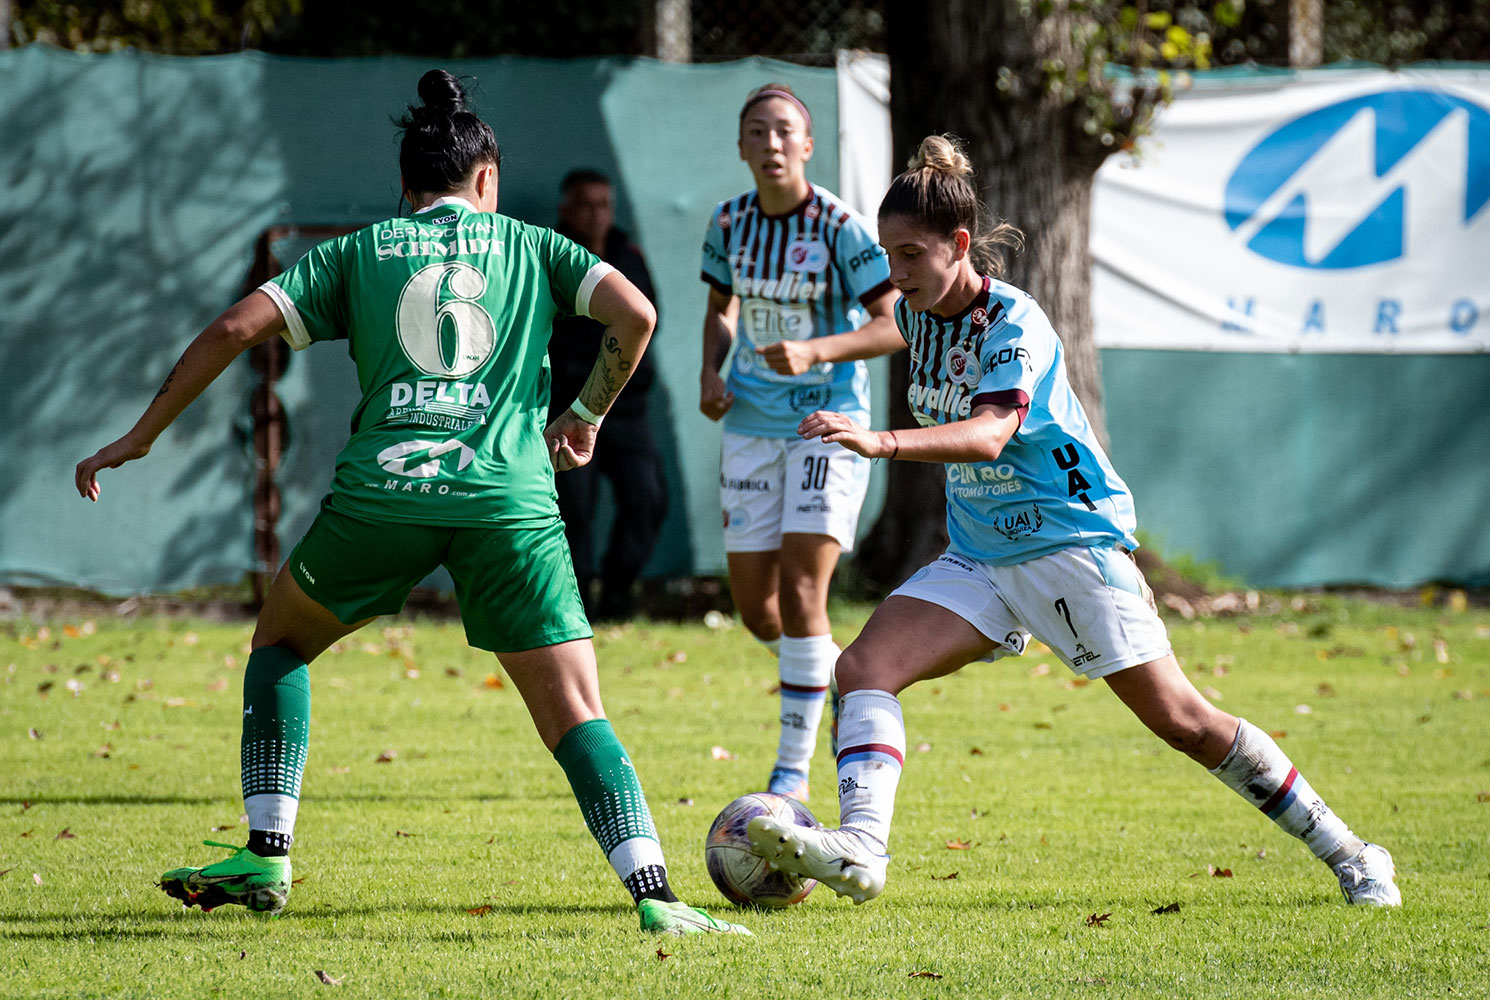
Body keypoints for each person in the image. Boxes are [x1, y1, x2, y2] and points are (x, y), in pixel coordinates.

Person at [73, 70, 748, 937]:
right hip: (507, 500)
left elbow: (237, 328)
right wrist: (583, 418)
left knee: (281, 642)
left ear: (404, 187)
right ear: (487, 180)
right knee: (576, 711)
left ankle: (268, 852)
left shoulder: (359, 249)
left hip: (381, 495)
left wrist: (142, 435)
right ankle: (656, 897)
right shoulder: (532, 245)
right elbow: (638, 314)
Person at [747, 135, 1401, 909]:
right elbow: (890, 332)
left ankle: (1355, 854)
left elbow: (991, 433)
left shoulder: (1014, 321)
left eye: (912, 253)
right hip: (984, 557)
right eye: (887, 253)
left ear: (961, 246)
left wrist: (878, 440)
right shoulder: (917, 315)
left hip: (1070, 545)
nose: (895, 271)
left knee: (1184, 721)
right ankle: (861, 849)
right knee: (860, 670)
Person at [699, 83, 903, 802]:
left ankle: (790, 774)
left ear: (808, 146)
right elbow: (719, 309)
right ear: (743, 148)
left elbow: (892, 325)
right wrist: (709, 370)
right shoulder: (728, 224)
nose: (773, 143)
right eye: (758, 131)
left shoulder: (842, 227)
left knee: (804, 589)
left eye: (785, 131)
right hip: (752, 424)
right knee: (760, 610)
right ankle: (825, 674)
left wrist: (817, 351)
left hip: (826, 423)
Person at [548, 168, 667, 622]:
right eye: (585, 204)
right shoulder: (551, 255)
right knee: (574, 511)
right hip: (568, 406)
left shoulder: (627, 253)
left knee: (648, 500)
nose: (596, 214)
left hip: (626, 410)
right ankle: (580, 607)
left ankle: (618, 594)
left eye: (604, 204)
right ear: (565, 210)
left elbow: (644, 318)